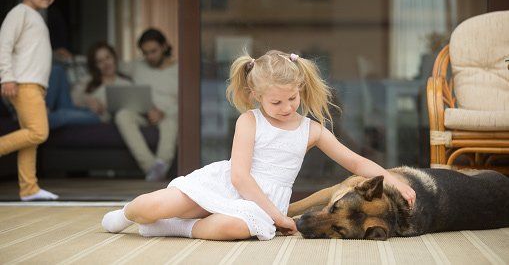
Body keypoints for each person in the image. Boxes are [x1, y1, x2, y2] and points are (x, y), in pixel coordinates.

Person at [102, 50, 416, 241]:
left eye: (292, 98)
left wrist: (393, 179)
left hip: (263, 202)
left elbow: (358, 163)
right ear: (256, 96)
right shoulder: (249, 122)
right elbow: (239, 177)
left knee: (233, 229)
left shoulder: (312, 131)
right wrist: (278, 219)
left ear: (300, 89)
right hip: (230, 186)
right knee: (147, 208)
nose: (287, 107)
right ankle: (125, 215)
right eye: (276, 102)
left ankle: (175, 228)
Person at [0, 0, 60, 201]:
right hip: (22, 84)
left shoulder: (36, 16)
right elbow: (4, 45)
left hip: (33, 85)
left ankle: (29, 188)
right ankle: (29, 187)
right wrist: (7, 77)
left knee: (29, 137)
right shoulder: (19, 13)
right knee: (38, 132)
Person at [114, 29, 178, 181]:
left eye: (153, 51)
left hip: (168, 114)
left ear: (164, 46)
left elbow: (186, 100)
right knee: (122, 115)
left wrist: (163, 112)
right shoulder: (137, 66)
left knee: (171, 122)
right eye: (145, 53)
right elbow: (109, 65)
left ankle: (160, 165)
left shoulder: (179, 69)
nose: (149, 56)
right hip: (142, 112)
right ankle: (152, 168)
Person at [72, 41, 132, 122]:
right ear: (95, 66)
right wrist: (87, 101)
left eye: (108, 57)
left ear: (114, 58)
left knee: (62, 116)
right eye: (100, 61)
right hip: (82, 113)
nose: (106, 63)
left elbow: (131, 111)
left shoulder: (126, 83)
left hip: (99, 119)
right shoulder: (88, 80)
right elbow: (72, 99)